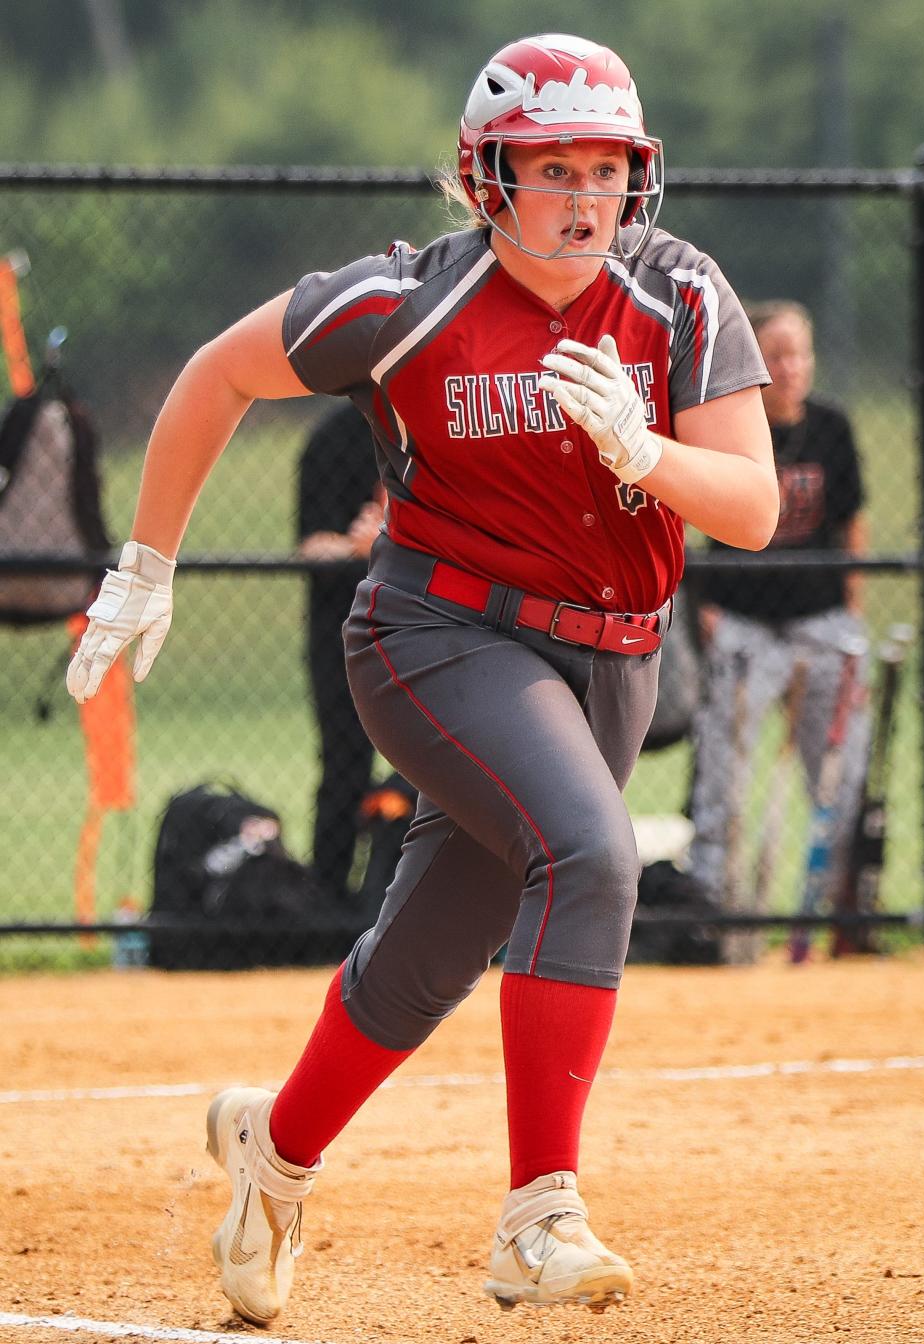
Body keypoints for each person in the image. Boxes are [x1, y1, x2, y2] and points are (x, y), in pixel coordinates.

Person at [65, 33, 778, 1324]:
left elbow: (756, 506)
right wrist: (144, 566)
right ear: (482, 177)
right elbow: (215, 374)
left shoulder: (679, 291)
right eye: (548, 166)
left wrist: (647, 452)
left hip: (608, 656)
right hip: (435, 633)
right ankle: (537, 1217)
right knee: (593, 853)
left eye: (608, 168)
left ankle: (270, 1160)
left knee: (430, 956)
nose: (583, 196)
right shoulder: (404, 304)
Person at [687, 300, 869, 958]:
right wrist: (706, 607)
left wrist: (851, 612)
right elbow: (693, 512)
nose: (790, 368)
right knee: (724, 778)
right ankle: (717, 922)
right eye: (777, 355)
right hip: (744, 622)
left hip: (822, 623)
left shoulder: (832, 427)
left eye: (800, 353)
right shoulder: (731, 427)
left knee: (836, 778)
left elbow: (852, 523)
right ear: (756, 364)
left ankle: (827, 921)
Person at [296, 401, 384, 904]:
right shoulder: (333, 438)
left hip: (429, 625)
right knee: (344, 766)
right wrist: (363, 547)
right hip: (343, 632)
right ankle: (329, 903)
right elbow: (311, 547)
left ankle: (409, 897)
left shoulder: (432, 419)